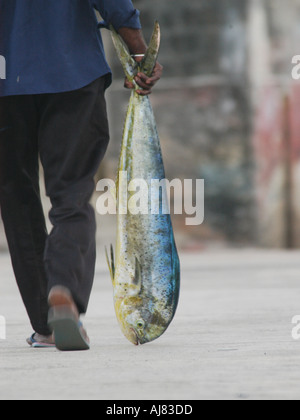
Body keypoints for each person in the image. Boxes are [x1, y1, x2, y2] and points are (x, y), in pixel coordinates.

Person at [0, 0, 163, 351]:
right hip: (72, 72)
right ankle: (65, 293)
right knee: (71, 193)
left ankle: (46, 326)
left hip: (5, 81)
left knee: (15, 198)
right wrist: (138, 54)